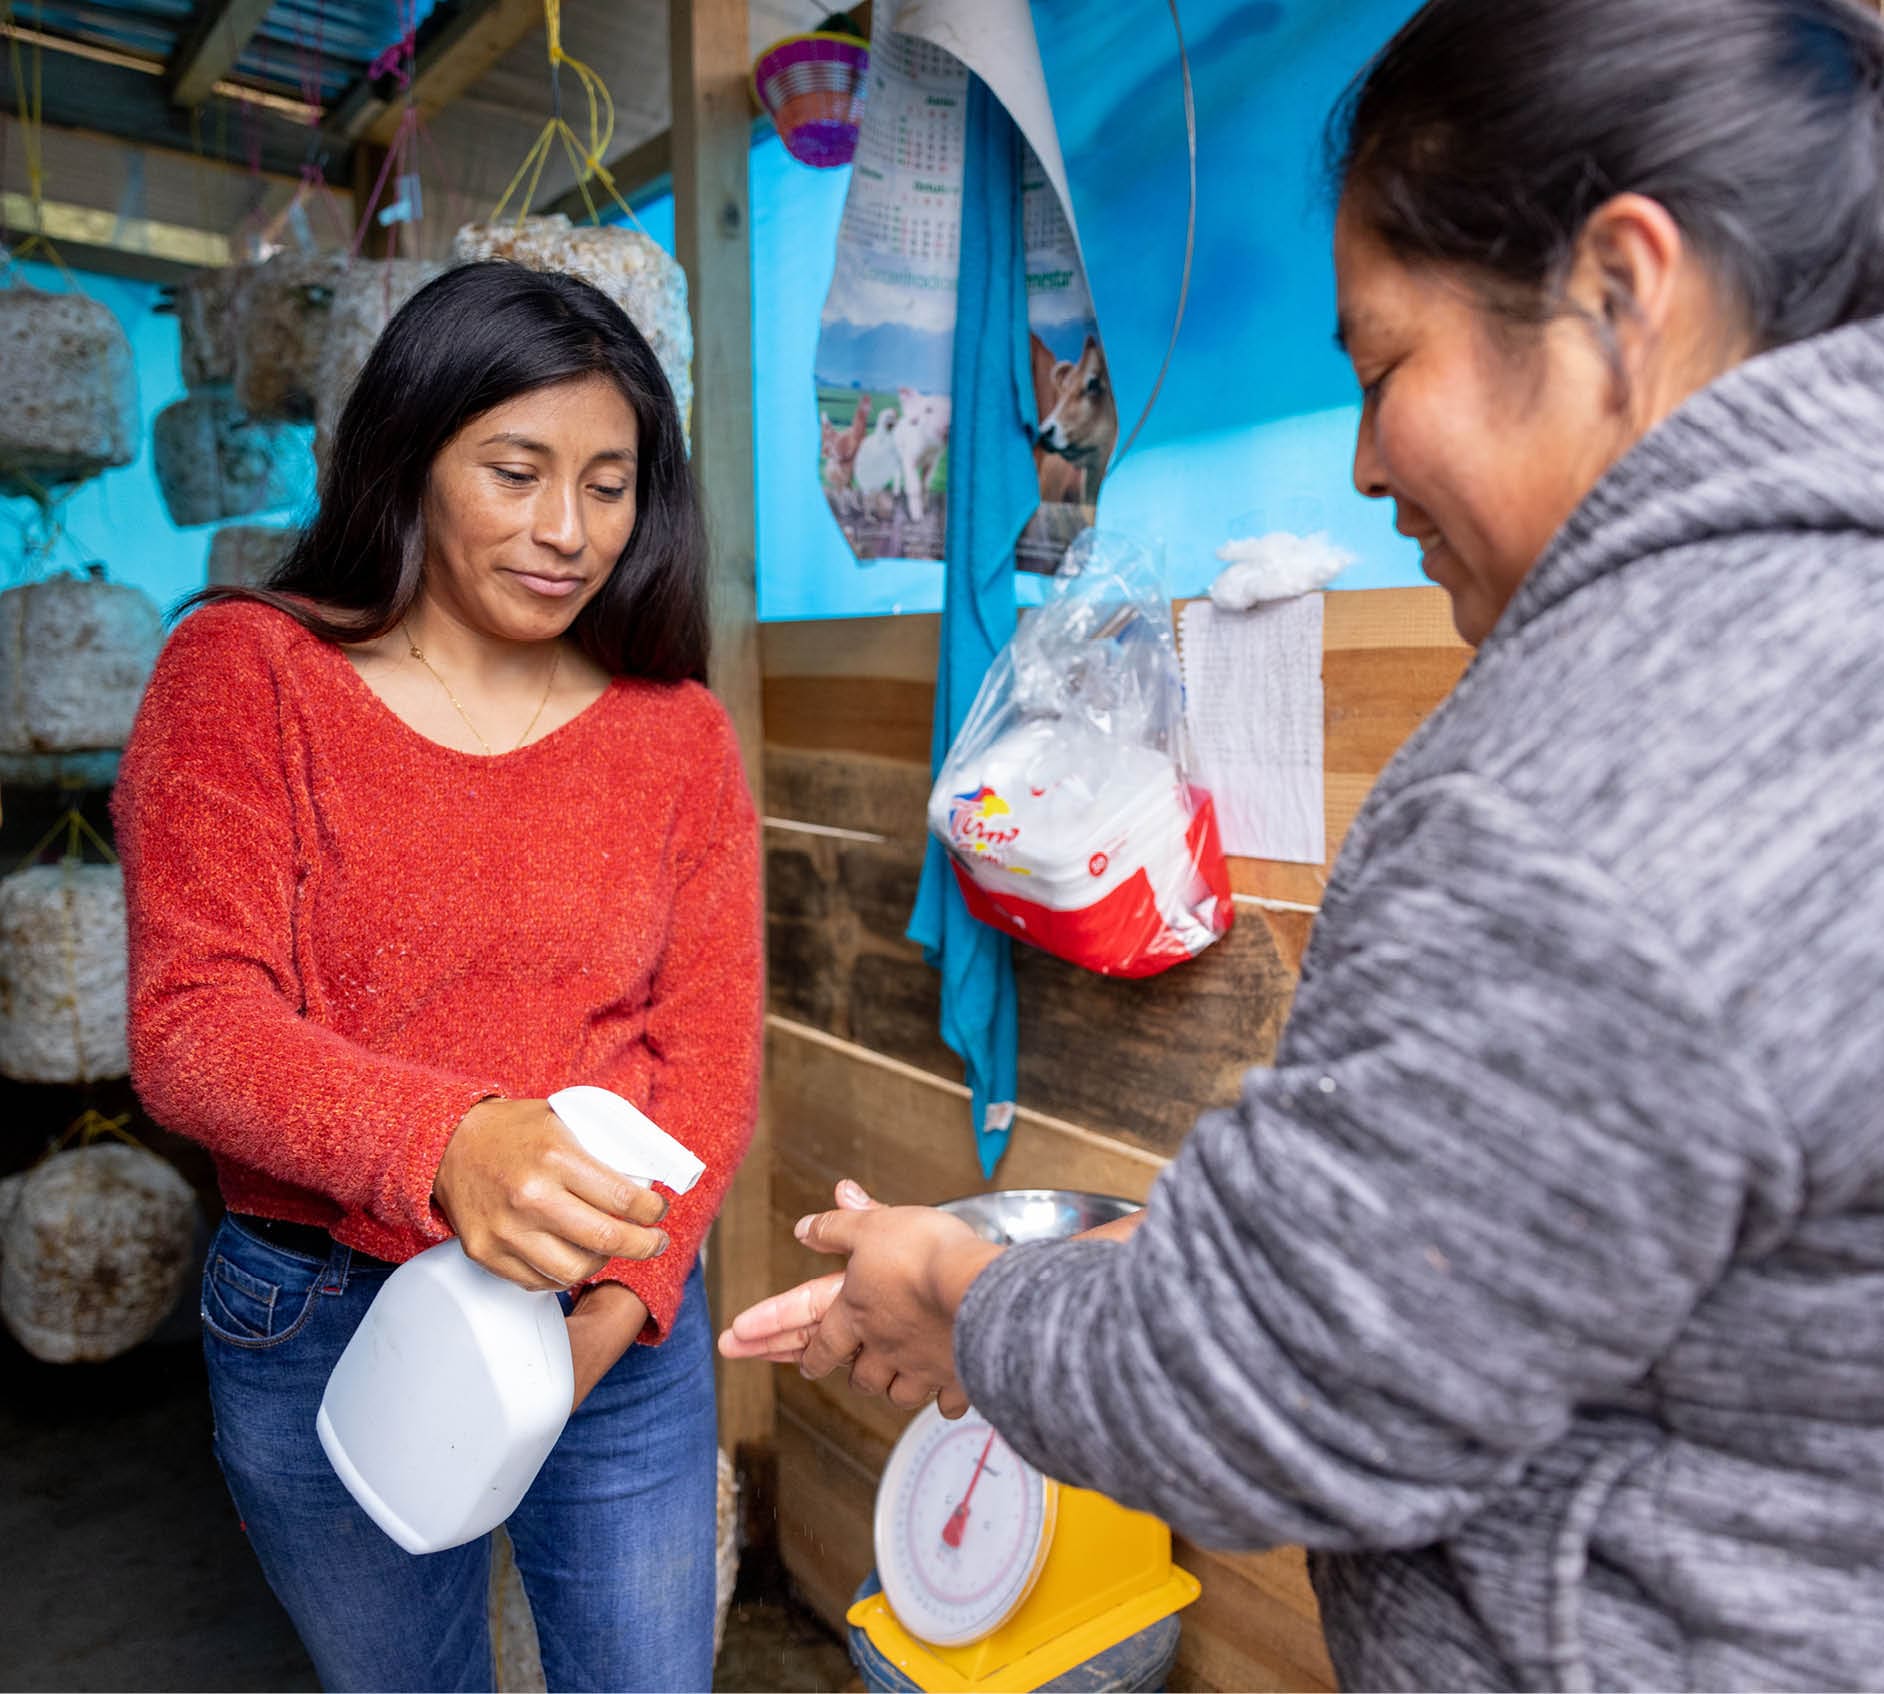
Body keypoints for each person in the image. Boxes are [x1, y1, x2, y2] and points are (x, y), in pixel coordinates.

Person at [720, 0, 1884, 1685]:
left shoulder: (1594, 773)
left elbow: (1280, 1377)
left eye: (1384, 364)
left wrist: (968, 1301)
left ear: (1624, 293)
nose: (1363, 460)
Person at [114, 262, 762, 1693]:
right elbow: (192, 1027)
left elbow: (705, 1047)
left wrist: (607, 1315)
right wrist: (449, 1142)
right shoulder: (247, 675)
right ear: (409, 454)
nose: (566, 530)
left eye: (610, 482)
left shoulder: (677, 734)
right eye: (516, 470)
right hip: (327, 1312)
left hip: (618, 1300)